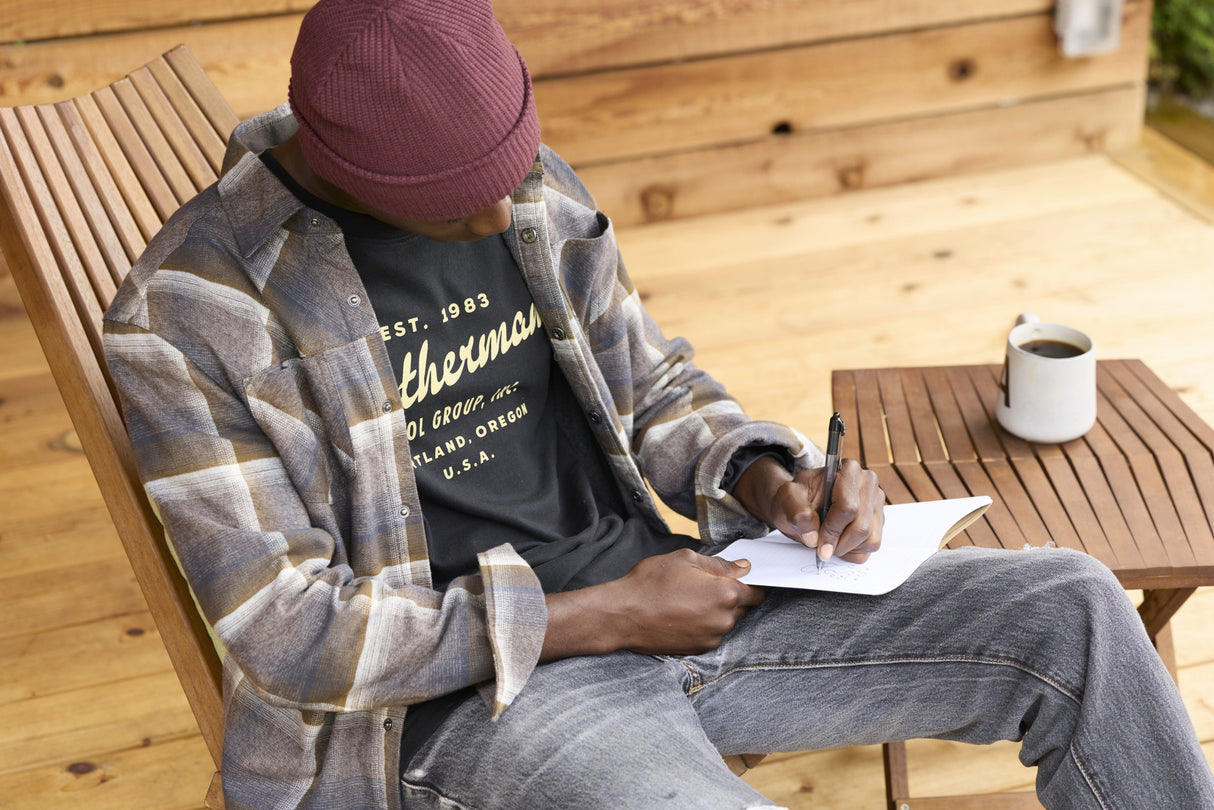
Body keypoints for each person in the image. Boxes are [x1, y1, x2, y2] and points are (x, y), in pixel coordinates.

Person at [103, 0, 1214, 807]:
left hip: (692, 599)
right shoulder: (196, 315)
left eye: (512, 172)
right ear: (351, 169)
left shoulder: (517, 179)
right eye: (456, 210)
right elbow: (288, 635)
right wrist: (602, 618)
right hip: (485, 703)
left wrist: (762, 477)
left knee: (1068, 606)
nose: (504, 217)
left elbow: (650, 385)